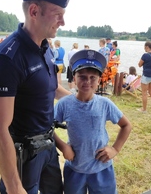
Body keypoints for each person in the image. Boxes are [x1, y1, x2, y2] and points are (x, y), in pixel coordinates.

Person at [0, 0, 73, 194]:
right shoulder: (7, 59)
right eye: (58, 14)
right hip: (22, 155)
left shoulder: (46, 48)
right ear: (34, 11)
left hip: (48, 145)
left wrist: (82, 99)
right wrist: (14, 187)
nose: (63, 22)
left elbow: (49, 89)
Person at [54, 49, 132, 194]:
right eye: (82, 77)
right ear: (74, 78)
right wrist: (64, 147)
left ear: (99, 80)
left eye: (92, 78)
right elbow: (46, 128)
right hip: (75, 168)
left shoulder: (105, 104)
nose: (87, 82)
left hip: (102, 168)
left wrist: (115, 149)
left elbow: (126, 125)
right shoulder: (64, 104)